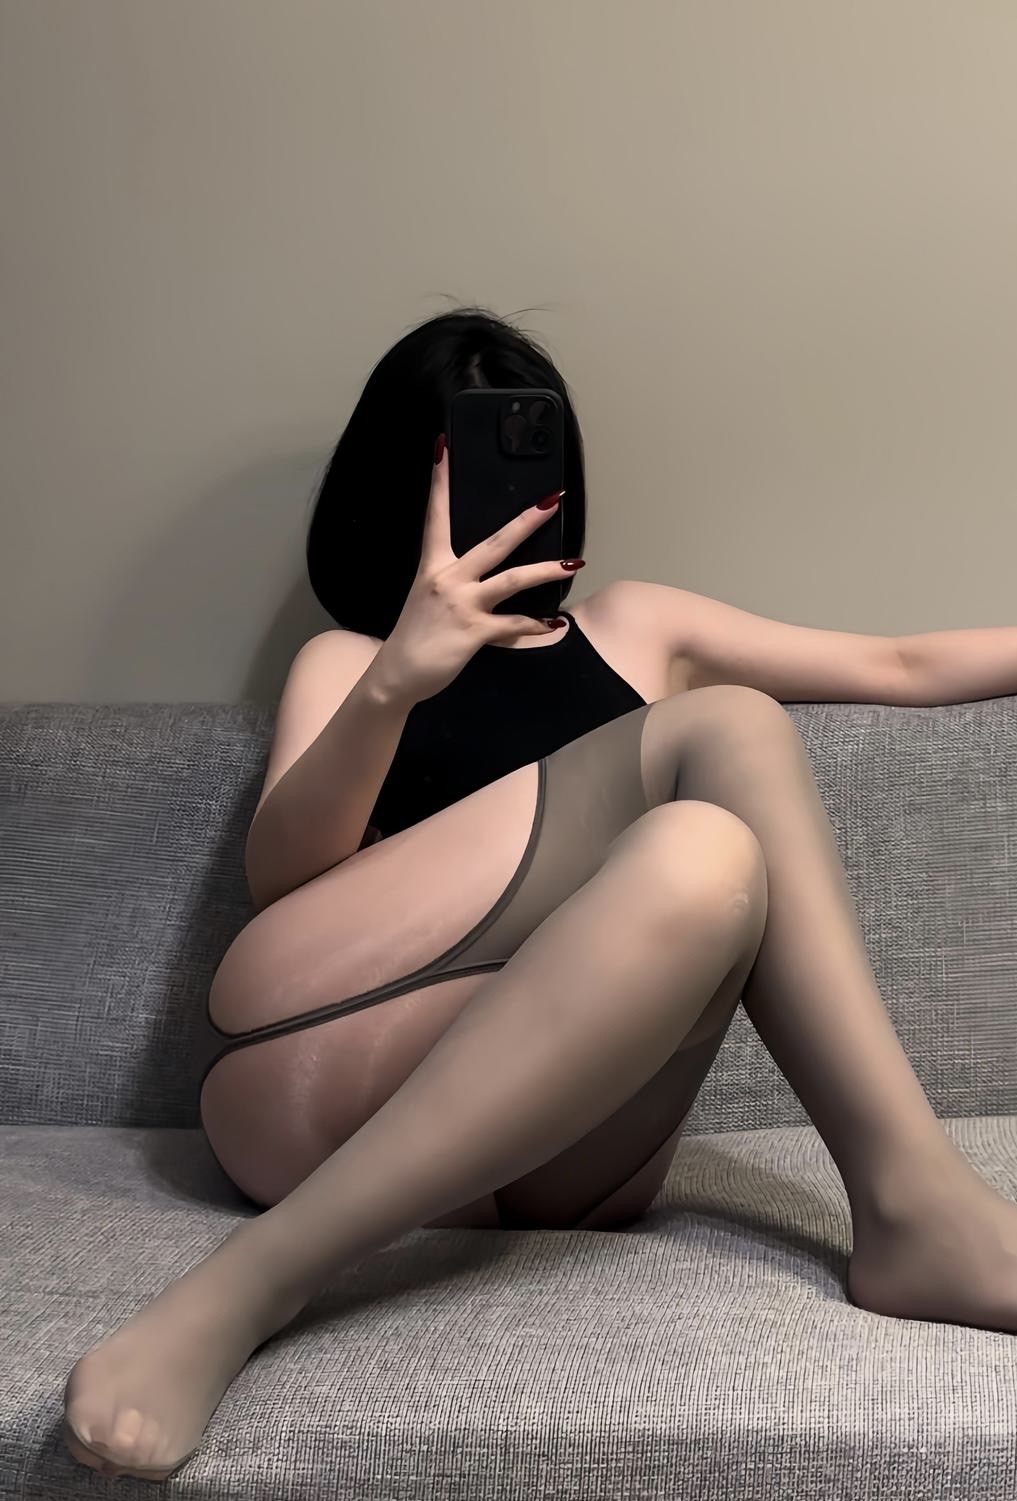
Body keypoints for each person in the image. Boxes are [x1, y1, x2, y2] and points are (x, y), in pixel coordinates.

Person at [63, 307, 1017, 1481]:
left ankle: (916, 1213)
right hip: (324, 1091)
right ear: (393, 492)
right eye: (457, 470)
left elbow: (898, 664)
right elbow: (285, 886)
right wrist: (396, 682)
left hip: (565, 1159)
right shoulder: (346, 662)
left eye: (527, 457)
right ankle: (247, 1291)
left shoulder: (642, 627)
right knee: (725, 728)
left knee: (706, 854)